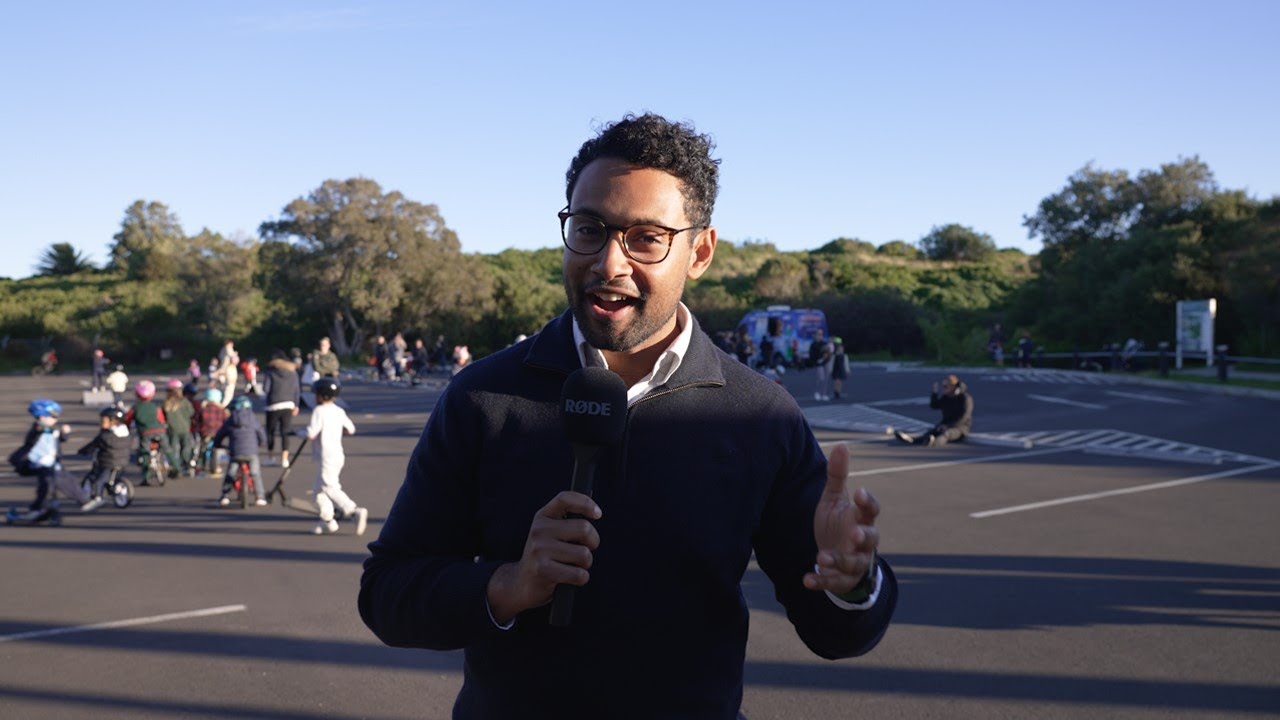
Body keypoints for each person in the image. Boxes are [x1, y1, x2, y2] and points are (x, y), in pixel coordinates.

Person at [359, 113, 896, 719]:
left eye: (645, 238)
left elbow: (837, 632)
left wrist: (852, 580)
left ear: (700, 252)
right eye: (589, 228)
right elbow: (387, 594)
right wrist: (507, 584)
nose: (609, 263)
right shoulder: (483, 397)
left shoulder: (760, 416)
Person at [305, 378, 367, 536]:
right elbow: (350, 429)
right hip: (338, 454)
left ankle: (353, 511)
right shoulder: (338, 411)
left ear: (321, 395)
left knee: (329, 487)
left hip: (326, 455)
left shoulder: (319, 411)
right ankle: (327, 521)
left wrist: (299, 433)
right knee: (318, 491)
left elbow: (311, 433)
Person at [7, 400, 76, 521]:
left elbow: (59, 440)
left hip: (49, 464)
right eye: (53, 416)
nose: (56, 419)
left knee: (51, 485)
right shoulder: (37, 430)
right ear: (42, 417)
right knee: (46, 485)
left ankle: (46, 508)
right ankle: (37, 509)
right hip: (36, 463)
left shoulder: (51, 429)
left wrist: (64, 433)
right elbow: (31, 442)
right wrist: (41, 428)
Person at [213, 395, 267, 506]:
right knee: (255, 473)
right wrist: (262, 443)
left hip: (236, 452)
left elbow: (220, 434)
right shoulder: (253, 418)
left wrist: (217, 444)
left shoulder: (230, 420)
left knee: (231, 473)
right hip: (251, 451)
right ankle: (260, 497)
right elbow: (261, 433)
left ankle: (225, 496)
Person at [76, 406, 133, 511]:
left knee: (99, 481)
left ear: (112, 421)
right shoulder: (126, 433)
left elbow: (93, 445)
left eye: (104, 420)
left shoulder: (105, 436)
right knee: (112, 478)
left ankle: (98, 498)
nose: (101, 422)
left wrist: (82, 451)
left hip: (108, 463)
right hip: (123, 461)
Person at [895, 374, 973, 447]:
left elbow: (964, 417)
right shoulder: (946, 397)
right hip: (945, 424)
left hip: (960, 428)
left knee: (946, 434)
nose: (944, 388)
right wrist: (934, 393)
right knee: (932, 432)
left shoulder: (965, 399)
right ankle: (912, 440)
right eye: (943, 386)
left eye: (946, 386)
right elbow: (934, 406)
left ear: (953, 387)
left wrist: (948, 426)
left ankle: (933, 442)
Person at [126, 380, 180, 481]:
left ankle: (146, 476)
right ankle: (176, 467)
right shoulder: (156, 407)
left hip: (145, 433)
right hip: (160, 431)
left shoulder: (135, 408)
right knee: (167, 449)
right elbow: (161, 419)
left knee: (144, 451)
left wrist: (127, 427)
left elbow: (127, 420)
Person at [263, 349, 301, 468]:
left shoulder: (270, 371)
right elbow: (297, 390)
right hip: (288, 404)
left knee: (271, 431)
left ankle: (270, 456)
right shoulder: (292, 372)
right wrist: (296, 404)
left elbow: (266, 388)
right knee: (285, 431)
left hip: (273, 404)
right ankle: (285, 459)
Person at [162, 379, 195, 476]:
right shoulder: (185, 402)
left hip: (172, 430)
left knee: (174, 448)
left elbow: (163, 416)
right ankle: (186, 464)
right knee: (186, 447)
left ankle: (176, 466)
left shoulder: (167, 403)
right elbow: (191, 413)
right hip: (185, 428)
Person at [196, 389, 228, 475]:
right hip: (218, 433)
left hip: (205, 432)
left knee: (202, 448)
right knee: (215, 449)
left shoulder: (203, 409)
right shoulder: (221, 409)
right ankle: (215, 466)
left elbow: (198, 420)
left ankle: (200, 465)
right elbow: (225, 421)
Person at [809, 329, 833, 401]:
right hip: (818, 363)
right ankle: (817, 392)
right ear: (816, 335)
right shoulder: (813, 344)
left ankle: (824, 394)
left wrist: (827, 356)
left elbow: (828, 353)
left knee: (826, 379)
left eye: (821, 334)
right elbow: (812, 355)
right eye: (819, 334)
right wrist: (816, 361)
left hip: (825, 362)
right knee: (820, 378)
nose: (820, 336)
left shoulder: (824, 343)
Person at [830, 336, 851, 400]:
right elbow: (831, 363)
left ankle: (838, 392)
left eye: (842, 348)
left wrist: (848, 370)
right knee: (837, 381)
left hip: (841, 369)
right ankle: (836, 391)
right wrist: (830, 370)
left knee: (840, 381)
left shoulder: (844, 355)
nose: (841, 349)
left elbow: (846, 363)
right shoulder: (834, 355)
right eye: (840, 348)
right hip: (836, 369)